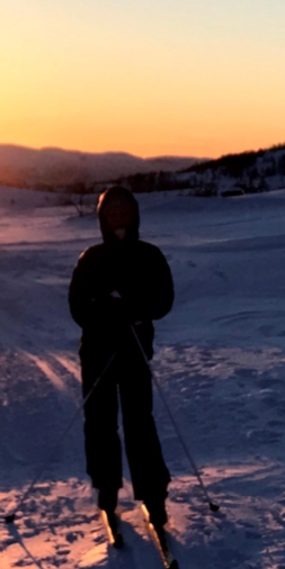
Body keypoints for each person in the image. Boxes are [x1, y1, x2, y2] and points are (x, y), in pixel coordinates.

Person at [68, 186, 174, 536]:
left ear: (133, 213)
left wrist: (134, 310)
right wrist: (106, 314)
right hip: (97, 352)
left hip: (134, 350)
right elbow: (78, 307)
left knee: (139, 422)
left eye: (122, 208)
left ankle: (154, 494)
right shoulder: (91, 258)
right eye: (110, 209)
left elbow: (163, 300)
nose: (116, 214)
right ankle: (107, 489)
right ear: (102, 216)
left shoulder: (149, 255)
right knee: (99, 422)